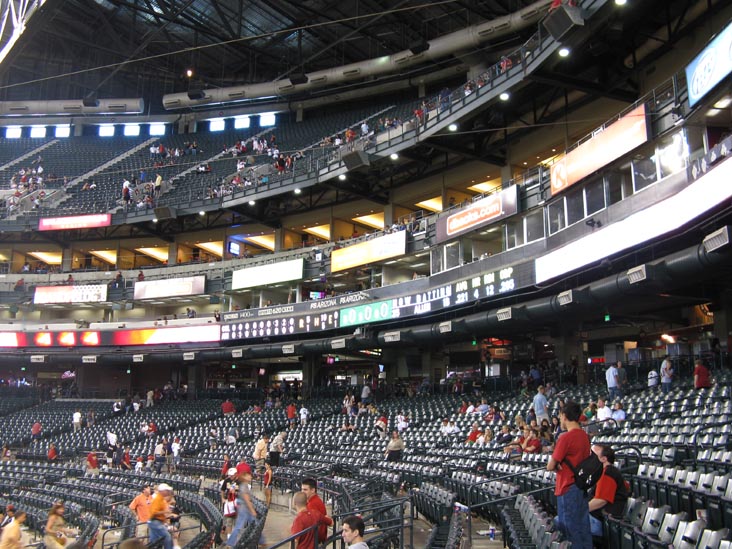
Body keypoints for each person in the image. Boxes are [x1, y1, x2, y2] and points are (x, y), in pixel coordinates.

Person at [547, 400, 592, 549]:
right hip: (581, 486)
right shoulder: (585, 436)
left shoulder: (565, 437)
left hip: (567, 487)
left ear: (564, 416)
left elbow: (550, 465)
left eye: (560, 416)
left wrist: (557, 465)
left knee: (569, 531)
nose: (560, 420)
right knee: (583, 528)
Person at [588, 445, 630, 542]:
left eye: (593, 456)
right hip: (597, 517)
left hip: (599, 521)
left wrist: (579, 510)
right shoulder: (605, 472)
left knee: (563, 520)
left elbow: (600, 501)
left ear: (603, 459)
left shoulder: (608, 473)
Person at [223, 470, 262, 548]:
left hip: (244, 508)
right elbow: (246, 499)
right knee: (239, 526)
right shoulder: (244, 486)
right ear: (244, 477)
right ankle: (230, 543)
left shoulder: (244, 485)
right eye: (248, 475)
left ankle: (261, 541)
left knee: (255, 525)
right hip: (244, 508)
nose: (250, 476)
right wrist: (252, 510)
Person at [301, 479, 332, 546]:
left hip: (315, 542)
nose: (302, 492)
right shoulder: (314, 500)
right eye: (302, 489)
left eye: (305, 490)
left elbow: (315, 526)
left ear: (313, 490)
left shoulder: (312, 504)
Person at [149, 484, 174, 549]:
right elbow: (154, 512)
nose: (168, 492)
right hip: (155, 521)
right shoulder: (157, 499)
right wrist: (165, 512)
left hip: (156, 521)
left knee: (154, 541)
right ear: (162, 491)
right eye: (167, 490)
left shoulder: (161, 499)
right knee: (167, 537)